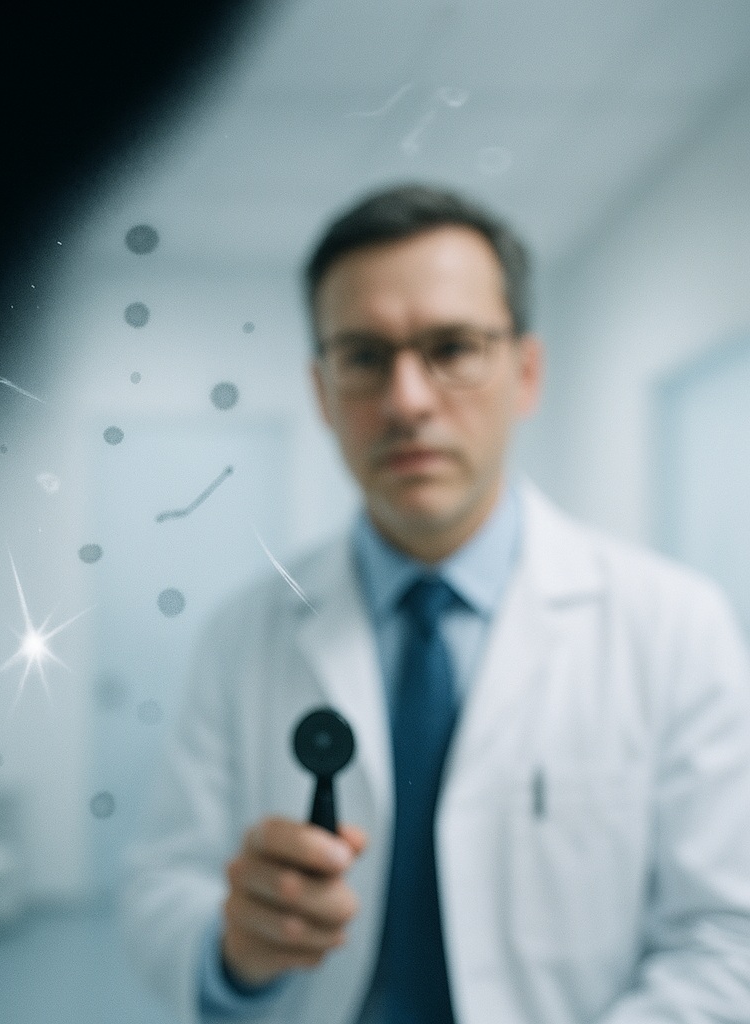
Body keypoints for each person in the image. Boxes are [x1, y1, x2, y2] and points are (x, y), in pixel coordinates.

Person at [120, 182, 750, 1024]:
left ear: (526, 372)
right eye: (365, 357)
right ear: (321, 392)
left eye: (452, 348)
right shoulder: (245, 636)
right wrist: (237, 947)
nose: (408, 401)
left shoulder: (676, 626)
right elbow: (162, 886)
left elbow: (726, 937)